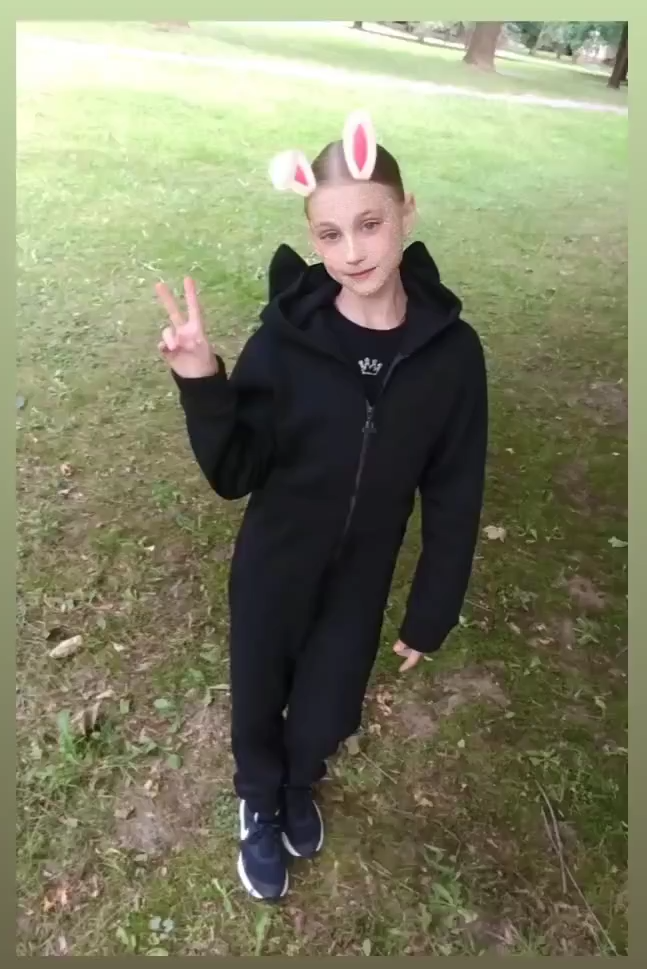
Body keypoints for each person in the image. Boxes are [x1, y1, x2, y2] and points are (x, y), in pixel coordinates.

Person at [155, 111, 488, 902]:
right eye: (329, 234)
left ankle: (299, 778)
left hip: (361, 573)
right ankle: (258, 798)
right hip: (274, 563)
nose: (352, 253)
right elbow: (234, 470)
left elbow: (455, 490)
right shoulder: (285, 341)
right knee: (259, 691)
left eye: (370, 224)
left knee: (328, 703)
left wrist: (432, 607)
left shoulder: (451, 355)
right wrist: (202, 381)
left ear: (406, 212)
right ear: (311, 235)